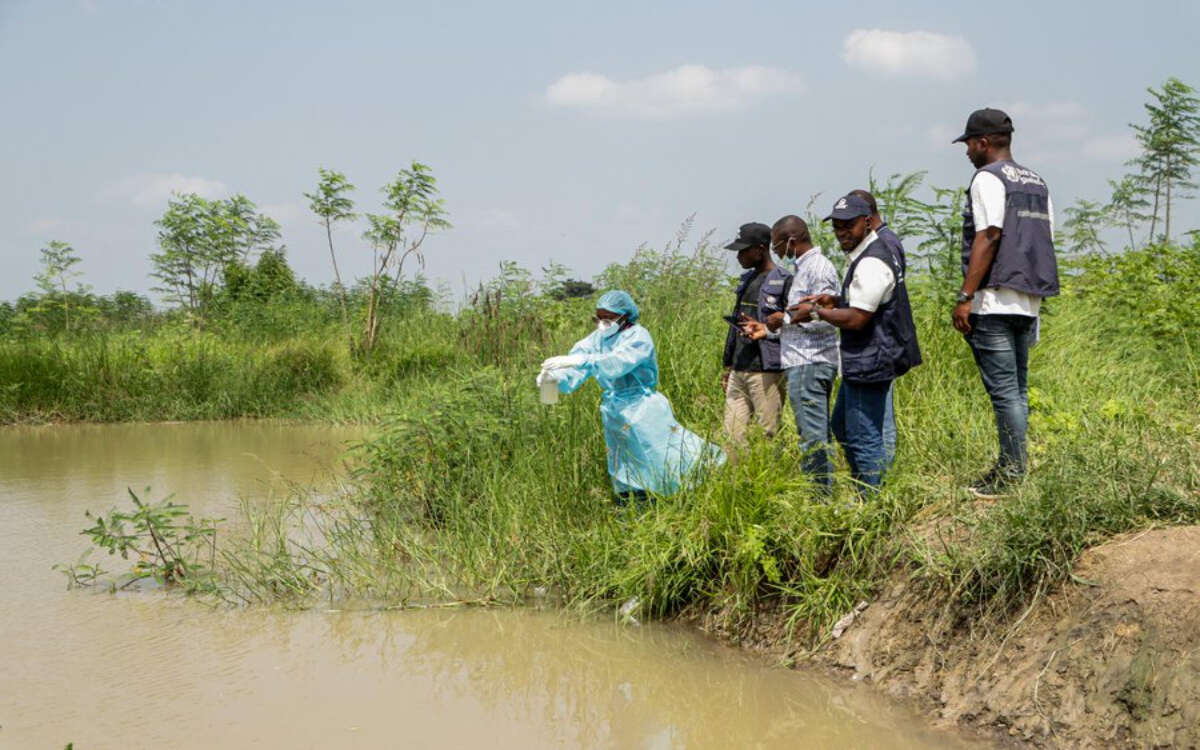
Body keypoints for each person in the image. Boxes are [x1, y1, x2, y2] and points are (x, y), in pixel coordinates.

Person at [951, 108, 1059, 498]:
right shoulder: (1038, 182)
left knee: (1005, 392)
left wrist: (966, 296)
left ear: (983, 143)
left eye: (968, 144)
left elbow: (990, 235)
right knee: (1018, 389)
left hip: (994, 299)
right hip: (1028, 301)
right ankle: (1012, 465)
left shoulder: (986, 177)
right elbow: (1045, 238)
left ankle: (1011, 474)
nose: (966, 152)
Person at [538, 290, 724, 503]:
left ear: (624, 316)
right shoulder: (597, 339)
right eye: (597, 318)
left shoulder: (638, 336)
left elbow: (618, 362)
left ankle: (681, 494)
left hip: (642, 406)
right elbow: (576, 366)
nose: (601, 323)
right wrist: (553, 377)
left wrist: (584, 360)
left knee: (659, 453)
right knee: (624, 460)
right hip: (615, 410)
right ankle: (631, 502)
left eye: (607, 318)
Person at [795, 194, 922, 492]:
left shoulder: (873, 261)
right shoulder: (867, 254)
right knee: (842, 426)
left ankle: (871, 501)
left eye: (848, 225)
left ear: (867, 222)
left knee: (864, 437)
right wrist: (832, 300)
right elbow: (863, 302)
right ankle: (867, 489)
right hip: (864, 357)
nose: (841, 232)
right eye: (836, 226)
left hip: (871, 358)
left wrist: (814, 311)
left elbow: (857, 318)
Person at [742, 216, 840, 489]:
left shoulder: (818, 268)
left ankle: (820, 497)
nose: (776, 252)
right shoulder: (802, 269)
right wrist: (767, 329)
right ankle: (819, 491)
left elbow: (827, 315)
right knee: (809, 432)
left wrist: (783, 319)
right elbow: (799, 318)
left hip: (811, 361)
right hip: (800, 361)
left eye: (777, 245)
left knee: (813, 436)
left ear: (792, 241)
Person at [721, 222, 792, 447]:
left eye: (743, 250)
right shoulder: (747, 281)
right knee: (732, 435)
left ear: (760, 249)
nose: (738, 256)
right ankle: (736, 481)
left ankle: (774, 480)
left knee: (769, 434)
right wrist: (729, 365)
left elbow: (795, 324)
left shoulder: (784, 280)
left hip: (766, 370)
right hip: (739, 369)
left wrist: (767, 328)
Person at [849, 189, 906, 469]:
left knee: (875, 423)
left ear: (867, 219)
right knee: (872, 421)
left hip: (878, 345)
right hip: (881, 344)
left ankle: (880, 482)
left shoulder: (881, 246)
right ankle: (881, 478)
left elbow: (866, 309)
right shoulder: (886, 241)